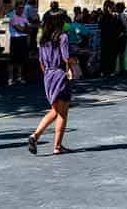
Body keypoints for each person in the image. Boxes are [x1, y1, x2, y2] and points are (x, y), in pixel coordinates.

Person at [28, 11, 76, 155]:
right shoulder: (63, 37)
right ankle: (56, 146)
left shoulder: (43, 39)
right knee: (62, 113)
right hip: (60, 73)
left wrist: (47, 75)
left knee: (55, 110)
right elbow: (66, 57)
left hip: (48, 74)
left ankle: (35, 136)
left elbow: (41, 61)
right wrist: (75, 63)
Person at [7, 2, 31, 85]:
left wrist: (25, 29)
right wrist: (26, 28)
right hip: (15, 39)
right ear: (16, 8)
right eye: (19, 8)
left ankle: (19, 77)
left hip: (23, 39)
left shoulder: (24, 16)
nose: (21, 10)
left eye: (22, 8)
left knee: (21, 59)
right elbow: (19, 29)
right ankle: (10, 78)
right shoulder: (13, 17)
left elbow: (28, 28)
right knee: (13, 60)